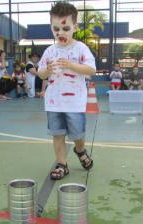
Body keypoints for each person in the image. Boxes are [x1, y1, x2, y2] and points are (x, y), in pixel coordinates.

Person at [38, 2, 96, 180]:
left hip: (75, 103)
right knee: (58, 135)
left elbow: (91, 70)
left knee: (78, 134)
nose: (60, 33)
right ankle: (62, 164)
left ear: (75, 27)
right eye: (56, 28)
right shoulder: (49, 51)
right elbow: (41, 74)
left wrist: (71, 65)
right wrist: (47, 71)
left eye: (65, 28)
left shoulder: (80, 48)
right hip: (54, 103)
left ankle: (80, 150)